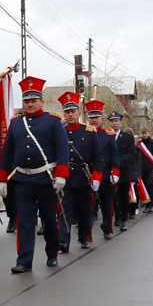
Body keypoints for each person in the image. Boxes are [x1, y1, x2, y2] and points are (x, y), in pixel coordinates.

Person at [0, 77, 69, 273]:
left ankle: (52, 252)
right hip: (23, 180)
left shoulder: (53, 122)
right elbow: (7, 153)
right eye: (26, 101)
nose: (30, 104)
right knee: (25, 221)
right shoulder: (17, 124)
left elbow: (63, 151)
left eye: (33, 101)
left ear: (41, 102)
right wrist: (2, 179)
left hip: (46, 179)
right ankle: (24, 260)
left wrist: (61, 175)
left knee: (49, 220)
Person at [57, 92, 103, 251]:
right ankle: (64, 241)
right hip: (66, 176)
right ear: (64, 114)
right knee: (64, 211)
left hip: (84, 176)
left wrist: (97, 177)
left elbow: (97, 157)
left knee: (84, 211)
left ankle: (84, 237)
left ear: (79, 113)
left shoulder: (89, 131)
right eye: (67, 112)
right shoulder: (59, 131)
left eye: (73, 112)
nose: (70, 115)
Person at [85, 100, 119, 240]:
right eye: (91, 117)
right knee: (88, 207)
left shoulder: (108, 135)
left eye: (96, 117)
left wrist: (115, 172)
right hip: (88, 174)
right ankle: (87, 234)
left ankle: (107, 228)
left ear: (101, 119)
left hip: (105, 174)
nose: (94, 120)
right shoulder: (84, 134)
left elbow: (115, 156)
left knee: (106, 204)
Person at [108, 111, 136, 231]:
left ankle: (124, 219)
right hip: (109, 171)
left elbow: (131, 154)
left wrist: (118, 162)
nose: (114, 123)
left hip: (123, 171)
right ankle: (116, 218)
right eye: (112, 121)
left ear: (120, 122)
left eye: (116, 121)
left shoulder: (127, 137)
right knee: (112, 196)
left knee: (123, 197)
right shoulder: (106, 135)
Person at [138, 128, 153, 213]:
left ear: (149, 133)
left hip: (151, 168)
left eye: (145, 133)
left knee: (150, 184)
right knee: (144, 186)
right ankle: (147, 205)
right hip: (142, 168)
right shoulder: (140, 144)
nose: (144, 135)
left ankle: (151, 204)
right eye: (143, 133)